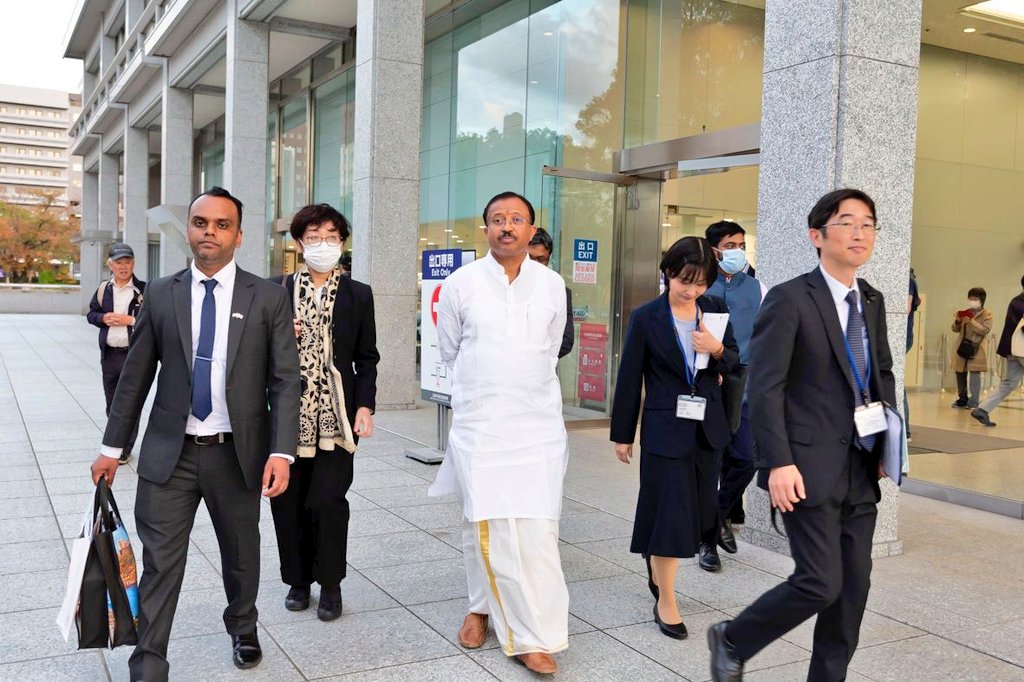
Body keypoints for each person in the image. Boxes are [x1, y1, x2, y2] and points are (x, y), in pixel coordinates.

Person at [89, 187, 301, 681]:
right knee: (160, 562)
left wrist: (282, 452)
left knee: (241, 555)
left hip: (238, 455)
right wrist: (111, 448)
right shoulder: (161, 293)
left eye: (222, 224)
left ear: (239, 235)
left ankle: (242, 625)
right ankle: (148, 661)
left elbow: (285, 379)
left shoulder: (267, 296)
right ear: (188, 229)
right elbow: (135, 378)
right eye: (201, 222)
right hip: (170, 454)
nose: (210, 232)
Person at [708, 189, 897, 682]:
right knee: (819, 581)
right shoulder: (790, 298)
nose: (860, 233)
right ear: (817, 236)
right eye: (847, 223)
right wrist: (775, 464)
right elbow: (765, 387)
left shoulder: (871, 299)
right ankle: (733, 638)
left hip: (860, 467)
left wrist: (888, 442)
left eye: (868, 224)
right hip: (805, 466)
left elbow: (881, 373)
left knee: (852, 591)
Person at [429, 191, 569, 675]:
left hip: (538, 428)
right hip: (482, 428)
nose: (507, 227)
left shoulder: (552, 285)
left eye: (517, 219)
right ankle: (499, 620)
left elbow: (550, 351)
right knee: (483, 524)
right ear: (484, 228)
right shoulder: (460, 284)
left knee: (537, 532)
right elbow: (451, 350)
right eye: (497, 219)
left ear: (532, 230)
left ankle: (523, 622)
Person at [611, 236, 739, 639]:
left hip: (706, 429)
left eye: (700, 283)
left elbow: (735, 359)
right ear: (668, 272)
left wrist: (717, 350)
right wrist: (623, 434)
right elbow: (631, 377)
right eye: (685, 280)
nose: (691, 290)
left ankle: (655, 557)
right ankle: (666, 599)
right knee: (669, 513)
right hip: (666, 428)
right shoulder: (647, 317)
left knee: (699, 513)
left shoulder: (715, 308)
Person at [270, 204, 379, 621]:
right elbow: (255, 354)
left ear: (342, 243)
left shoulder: (358, 294)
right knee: (288, 501)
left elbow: (367, 357)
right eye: (313, 237)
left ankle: (330, 583)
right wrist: (281, 335)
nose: (323, 245)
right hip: (286, 417)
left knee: (328, 501)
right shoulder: (275, 290)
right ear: (299, 244)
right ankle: (298, 581)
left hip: (338, 418)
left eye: (331, 236)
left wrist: (365, 405)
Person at [704, 221, 767, 563]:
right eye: (730, 245)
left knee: (746, 457)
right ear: (714, 249)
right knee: (713, 461)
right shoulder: (698, 285)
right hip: (708, 386)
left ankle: (713, 518)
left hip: (745, 386)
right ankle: (709, 543)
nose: (737, 251)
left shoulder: (759, 288)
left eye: (741, 244)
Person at [86, 243, 146, 464]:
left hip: (133, 356)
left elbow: (154, 320)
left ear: (133, 263)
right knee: (112, 404)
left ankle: (125, 448)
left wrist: (129, 320)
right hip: (109, 356)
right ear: (110, 264)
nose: (123, 266)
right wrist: (103, 318)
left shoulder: (143, 290)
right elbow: (91, 314)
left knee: (130, 402)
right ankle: (114, 443)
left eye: (127, 262)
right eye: (119, 262)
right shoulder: (104, 290)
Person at [972, 275, 1024, 427]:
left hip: (1012, 349)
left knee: (1009, 382)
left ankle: (982, 409)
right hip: (1021, 349)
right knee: (1009, 382)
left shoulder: (1016, 301)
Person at [527, 227, 574, 358]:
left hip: (542, 370)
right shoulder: (508, 285)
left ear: (548, 259)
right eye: (530, 258)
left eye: (541, 259)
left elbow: (566, 340)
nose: (535, 264)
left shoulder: (559, 289)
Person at [950, 288, 992, 409]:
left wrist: (972, 322)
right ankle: (962, 399)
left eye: (975, 299)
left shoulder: (987, 314)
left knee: (974, 373)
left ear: (981, 300)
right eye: (970, 298)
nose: (972, 301)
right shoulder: (965, 312)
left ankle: (974, 401)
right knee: (959, 371)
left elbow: (985, 330)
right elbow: (954, 329)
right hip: (962, 346)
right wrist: (958, 321)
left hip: (976, 347)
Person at [905, 271, 921, 439]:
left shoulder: (908, 280)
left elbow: (905, 309)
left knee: (894, 381)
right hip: (903, 336)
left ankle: (904, 429)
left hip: (902, 337)